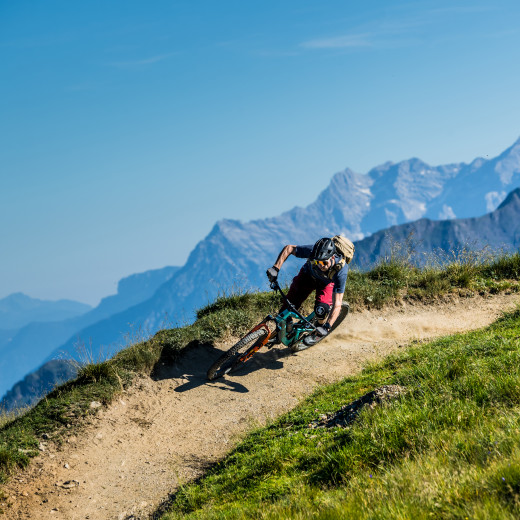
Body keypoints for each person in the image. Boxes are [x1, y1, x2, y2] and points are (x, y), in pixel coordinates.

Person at [266, 237, 349, 347]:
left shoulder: (341, 271)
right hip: (307, 275)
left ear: (332, 257)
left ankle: (317, 331)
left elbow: (337, 304)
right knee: (287, 307)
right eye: (317, 262)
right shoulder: (312, 251)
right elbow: (289, 248)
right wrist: (275, 268)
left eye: (324, 262)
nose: (320, 265)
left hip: (326, 284)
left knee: (321, 310)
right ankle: (284, 331)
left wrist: (327, 327)